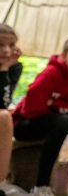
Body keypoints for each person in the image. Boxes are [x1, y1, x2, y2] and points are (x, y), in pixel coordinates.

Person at [12, 36, 68, 196]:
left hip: (55, 120)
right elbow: (29, 111)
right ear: (64, 55)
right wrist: (64, 108)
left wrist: (53, 103)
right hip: (25, 124)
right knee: (63, 120)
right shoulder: (50, 74)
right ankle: (41, 186)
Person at [0, 24, 23, 196]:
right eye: (0, 44)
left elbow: (3, 102)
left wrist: (3, 70)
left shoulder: (13, 67)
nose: (7, 51)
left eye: (11, 45)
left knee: (4, 116)